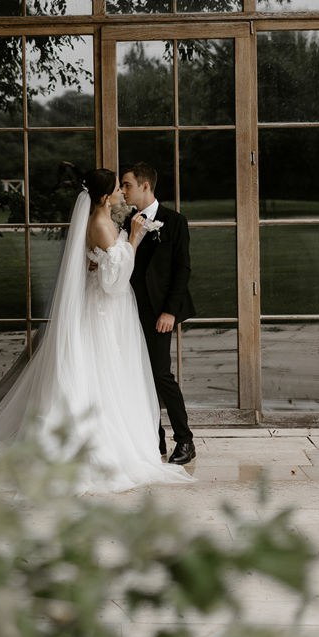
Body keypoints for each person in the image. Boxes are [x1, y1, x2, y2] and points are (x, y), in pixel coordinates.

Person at [0, 167, 191, 493]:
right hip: (105, 309)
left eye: (126, 186)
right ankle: (103, 448)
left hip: (110, 309)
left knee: (118, 374)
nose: (123, 193)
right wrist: (134, 240)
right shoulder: (99, 223)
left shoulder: (106, 220)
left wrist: (114, 250)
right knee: (103, 373)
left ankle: (156, 438)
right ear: (105, 195)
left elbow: (103, 262)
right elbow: (113, 282)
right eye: (118, 188)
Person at [120, 163, 196, 466]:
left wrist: (169, 311)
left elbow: (182, 269)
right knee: (136, 377)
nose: (123, 191)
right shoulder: (124, 220)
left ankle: (185, 440)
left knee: (161, 375)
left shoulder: (174, 222)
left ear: (145, 186)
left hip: (158, 313)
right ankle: (155, 438)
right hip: (126, 310)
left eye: (127, 185)